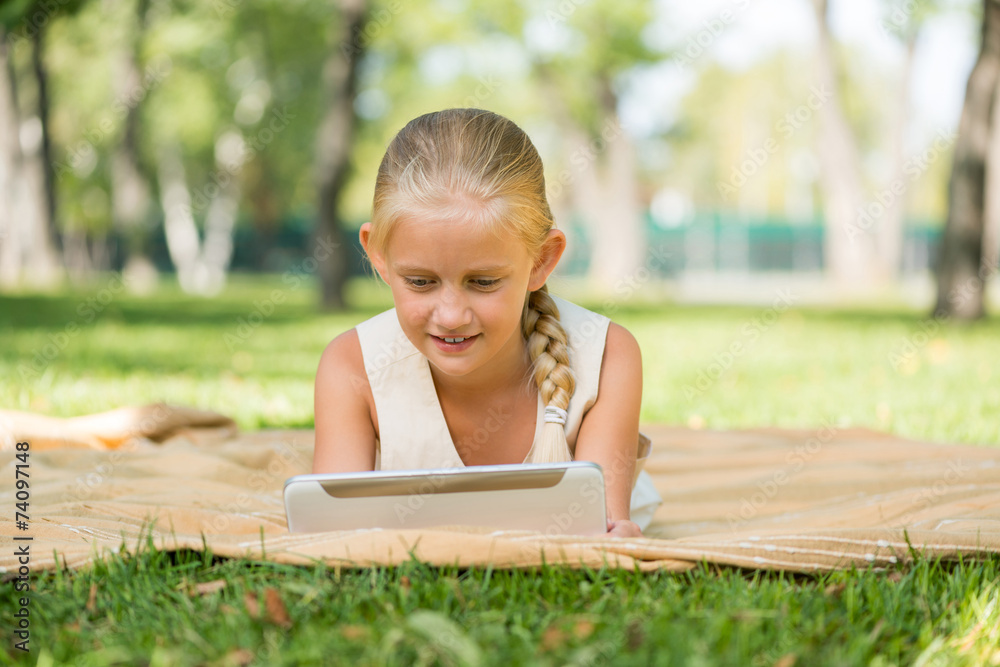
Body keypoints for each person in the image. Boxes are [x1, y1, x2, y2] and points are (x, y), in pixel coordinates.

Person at [312, 108, 662, 538]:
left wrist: (617, 534)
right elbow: (330, 535)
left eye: (483, 282)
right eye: (421, 282)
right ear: (379, 257)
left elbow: (599, 531)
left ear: (542, 260)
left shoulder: (607, 356)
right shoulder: (351, 367)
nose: (452, 315)